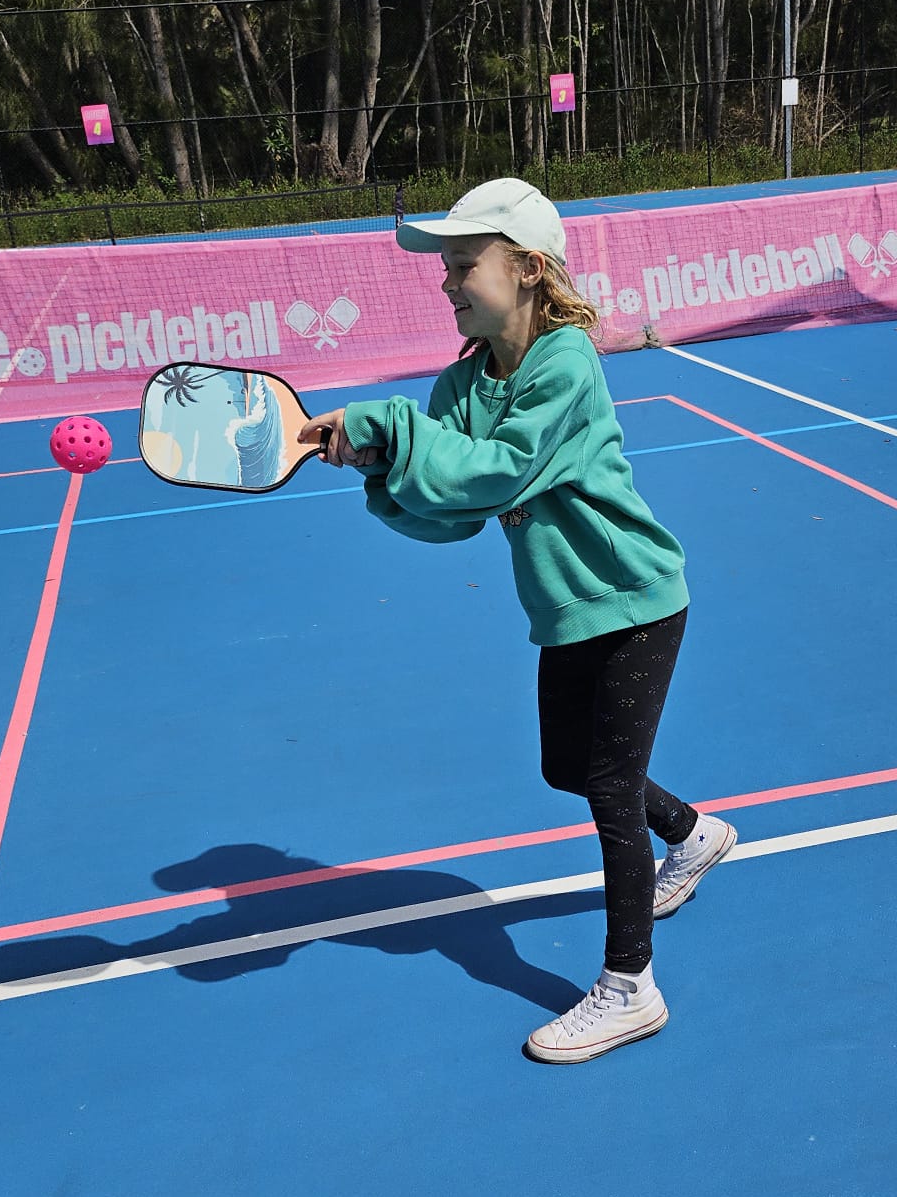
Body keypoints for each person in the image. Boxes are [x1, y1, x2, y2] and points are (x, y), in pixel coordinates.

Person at [299, 177, 735, 1062]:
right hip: (565, 611)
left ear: (530, 269)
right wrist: (377, 464)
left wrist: (389, 424)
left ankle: (630, 987)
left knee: (608, 786)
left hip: (636, 601)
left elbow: (498, 469)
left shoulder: (567, 362)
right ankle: (695, 834)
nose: (447, 281)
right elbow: (451, 511)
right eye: (447, 268)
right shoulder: (462, 383)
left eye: (465, 264)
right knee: (565, 766)